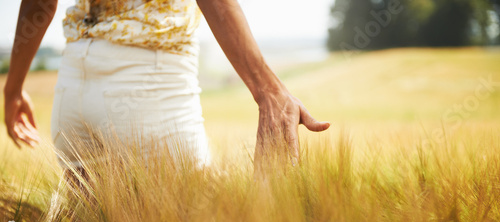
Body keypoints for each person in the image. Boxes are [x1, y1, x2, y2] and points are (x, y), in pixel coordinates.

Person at [3, 0, 330, 177]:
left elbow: (40, 4)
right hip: (148, 85)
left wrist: (13, 87)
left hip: (73, 86)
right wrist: (268, 91)